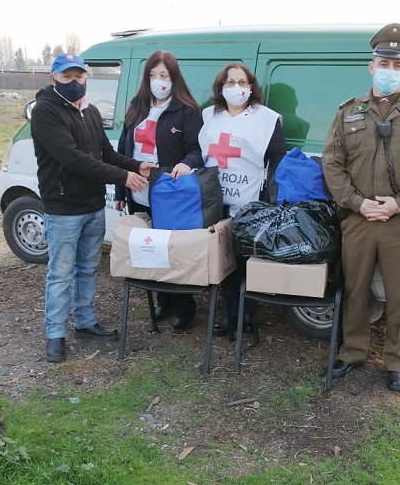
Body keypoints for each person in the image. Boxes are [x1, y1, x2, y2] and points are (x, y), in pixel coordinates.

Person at [322, 23, 400, 391]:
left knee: (399, 294)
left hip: (398, 221)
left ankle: (397, 360)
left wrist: (399, 204)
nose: (389, 70)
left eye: (397, 65)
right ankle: (353, 351)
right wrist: (358, 203)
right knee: (356, 289)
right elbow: (332, 163)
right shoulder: (347, 113)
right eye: (383, 63)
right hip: (357, 220)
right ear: (370, 66)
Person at [31, 52, 155, 363]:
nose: (75, 83)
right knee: (60, 274)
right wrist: (124, 177)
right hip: (62, 208)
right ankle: (54, 334)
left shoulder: (91, 111)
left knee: (87, 269)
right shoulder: (45, 112)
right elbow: (73, 159)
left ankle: (85, 323)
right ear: (53, 79)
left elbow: (106, 153)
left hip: (92, 206)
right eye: (67, 77)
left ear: (87, 77)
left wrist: (138, 166)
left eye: (80, 76)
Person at [113, 50, 204, 331]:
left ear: (174, 78)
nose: (158, 81)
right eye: (153, 75)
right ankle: (162, 299)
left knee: (173, 251)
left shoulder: (187, 111)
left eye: (163, 75)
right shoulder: (137, 106)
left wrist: (186, 164)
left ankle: (184, 305)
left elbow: (197, 151)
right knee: (150, 250)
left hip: (169, 194)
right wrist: (120, 190)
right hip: (138, 190)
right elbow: (122, 151)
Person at [198, 62, 287, 335]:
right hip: (216, 200)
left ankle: (247, 318)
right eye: (230, 82)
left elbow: (277, 160)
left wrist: (270, 202)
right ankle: (227, 317)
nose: (237, 88)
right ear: (220, 87)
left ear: (251, 87)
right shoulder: (208, 116)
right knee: (221, 259)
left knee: (244, 260)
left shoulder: (267, 118)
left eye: (242, 82)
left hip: (250, 201)